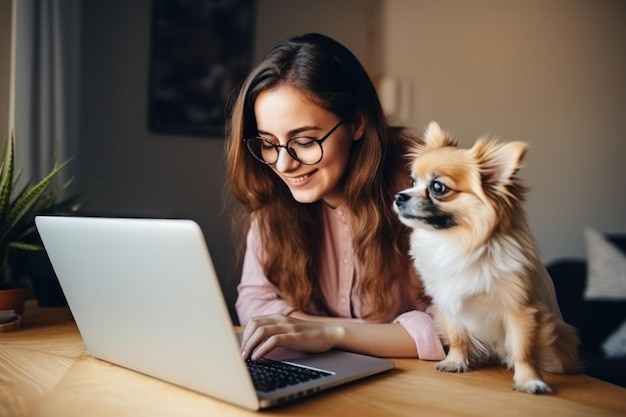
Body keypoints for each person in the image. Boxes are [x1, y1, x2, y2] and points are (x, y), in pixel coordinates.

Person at [225, 33, 445, 363]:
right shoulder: (274, 196)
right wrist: (321, 333)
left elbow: (455, 329)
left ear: (356, 123)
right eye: (269, 143)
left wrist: (329, 334)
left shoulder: (428, 193)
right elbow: (255, 302)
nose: (284, 164)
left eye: (304, 140)